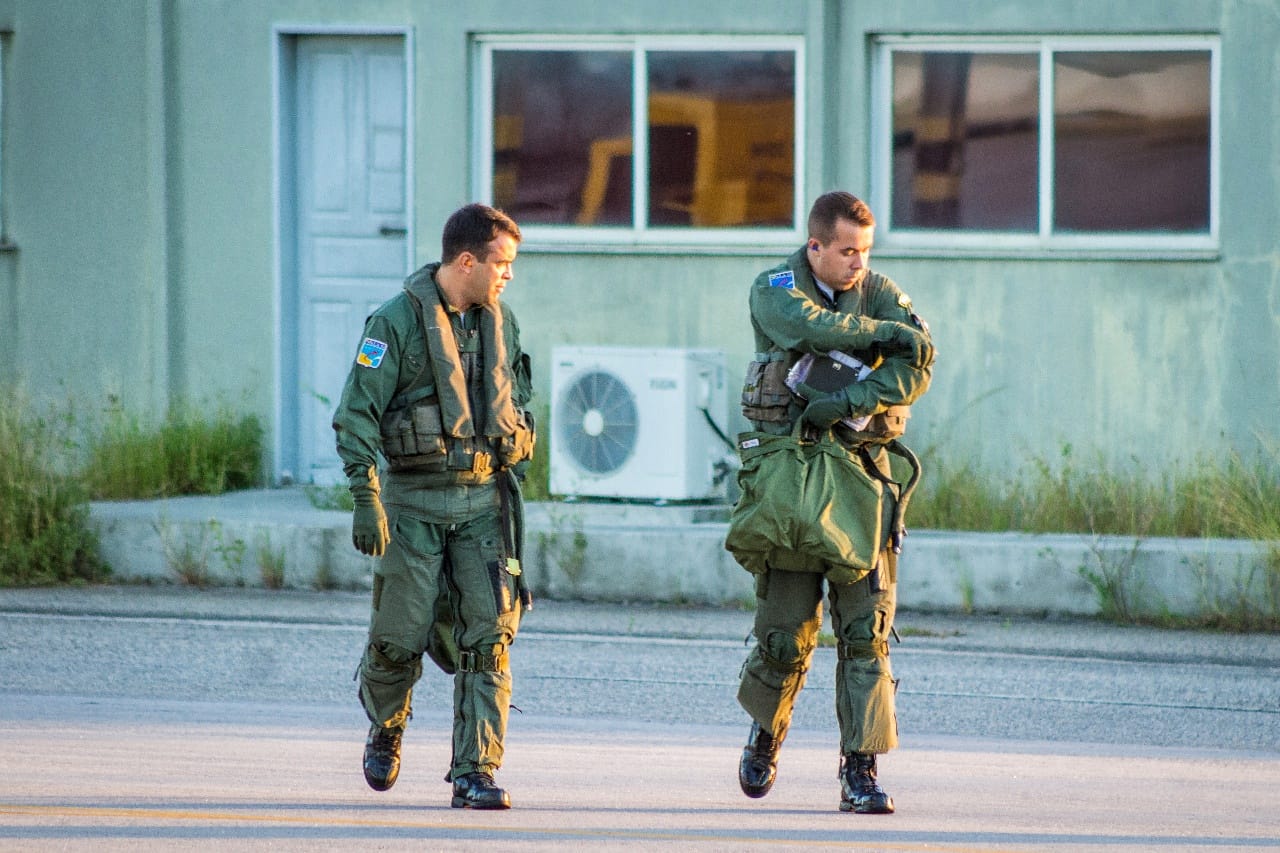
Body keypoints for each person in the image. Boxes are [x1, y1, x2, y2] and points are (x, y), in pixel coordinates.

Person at [729, 191, 934, 813]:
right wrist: (880, 335)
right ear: (815, 245)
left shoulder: (880, 288)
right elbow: (806, 328)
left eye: (865, 251)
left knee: (865, 631)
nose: (858, 264)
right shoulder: (776, 284)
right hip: (791, 483)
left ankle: (861, 769)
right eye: (847, 251)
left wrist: (851, 399)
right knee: (784, 633)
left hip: (861, 480)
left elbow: (918, 363)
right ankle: (766, 734)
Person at [333, 203, 536, 810]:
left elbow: (523, 403)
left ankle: (475, 770)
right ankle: (387, 726)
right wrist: (366, 497)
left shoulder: (504, 323)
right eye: (500, 263)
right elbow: (355, 415)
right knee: (398, 638)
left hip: (482, 506)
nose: (508, 275)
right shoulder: (393, 324)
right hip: (413, 505)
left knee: (488, 640)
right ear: (466, 260)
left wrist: (520, 442)